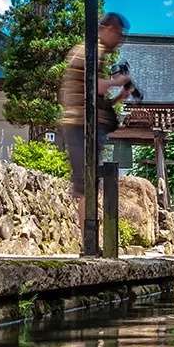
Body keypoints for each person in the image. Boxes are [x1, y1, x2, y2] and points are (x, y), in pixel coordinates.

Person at [58, 12, 133, 232]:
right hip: (80, 124)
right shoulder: (90, 50)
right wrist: (118, 81)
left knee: (90, 184)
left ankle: (91, 239)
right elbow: (93, 86)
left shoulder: (93, 50)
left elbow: (98, 99)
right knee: (86, 185)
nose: (120, 41)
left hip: (86, 122)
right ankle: (88, 241)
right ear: (108, 28)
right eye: (119, 35)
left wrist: (120, 96)